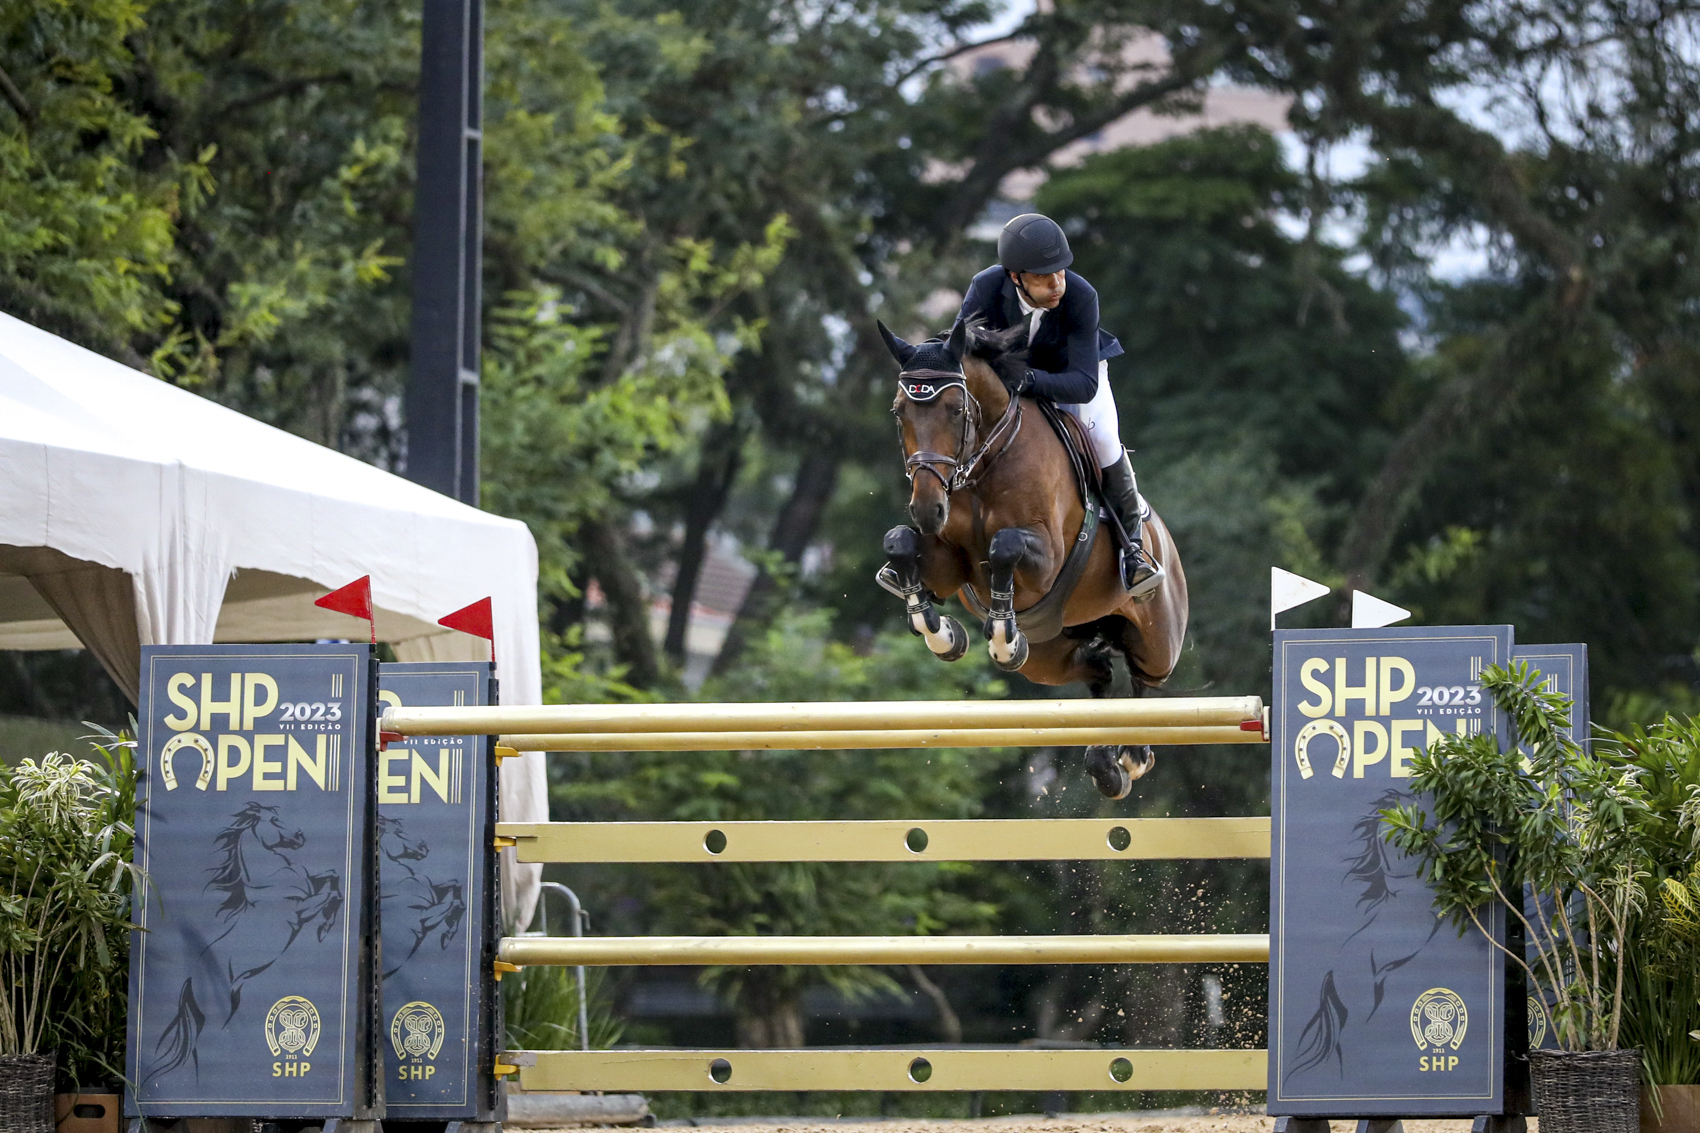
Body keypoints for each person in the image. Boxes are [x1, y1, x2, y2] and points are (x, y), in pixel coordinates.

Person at [950, 212, 1163, 597]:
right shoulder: (985, 288)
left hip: (1071, 377)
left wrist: (1029, 381)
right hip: (1010, 382)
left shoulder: (1081, 297)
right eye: (1044, 277)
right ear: (1015, 276)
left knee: (1102, 439)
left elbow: (1082, 384)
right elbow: (959, 351)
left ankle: (1133, 548)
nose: (1057, 284)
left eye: (1061, 272)